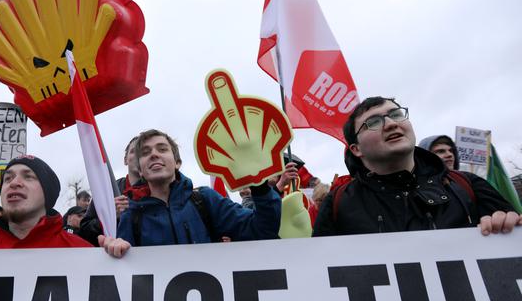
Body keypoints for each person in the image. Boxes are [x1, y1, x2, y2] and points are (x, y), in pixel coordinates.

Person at [313, 97, 521, 237]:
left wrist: (505, 225)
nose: (391, 123)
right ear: (356, 149)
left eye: (395, 114)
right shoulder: (338, 203)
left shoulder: (468, 185)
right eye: (374, 122)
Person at [99, 129, 282, 257]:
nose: (154, 154)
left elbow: (262, 230)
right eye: (146, 152)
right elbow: (125, 275)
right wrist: (115, 251)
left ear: (177, 162)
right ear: (140, 170)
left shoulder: (205, 200)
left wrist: (260, 186)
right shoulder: (131, 215)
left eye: (162, 149)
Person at [79, 136, 147, 245]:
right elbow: (84, 230)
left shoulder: (161, 188)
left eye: (143, 151)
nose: (138, 156)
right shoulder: (106, 190)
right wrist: (109, 216)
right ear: (125, 160)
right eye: (134, 151)